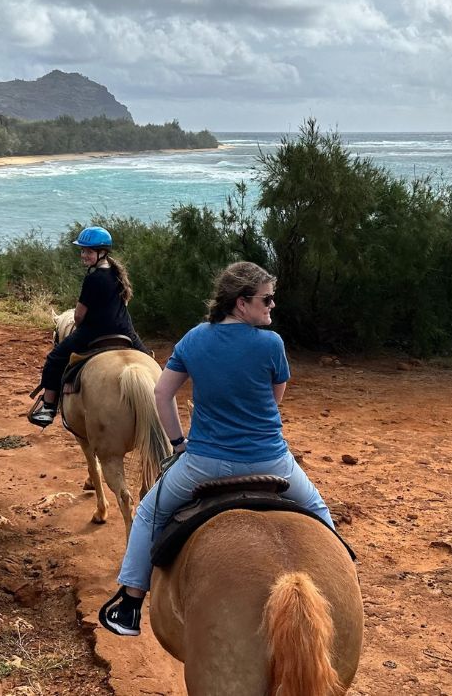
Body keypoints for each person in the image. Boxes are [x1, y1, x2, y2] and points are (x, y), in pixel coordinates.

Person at [99, 261, 334, 637]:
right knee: (320, 512)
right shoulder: (272, 344)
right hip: (271, 461)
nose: (272, 306)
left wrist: (178, 443)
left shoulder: (193, 339)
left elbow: (162, 393)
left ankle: (129, 604)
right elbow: (275, 400)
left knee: (147, 513)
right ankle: (341, 584)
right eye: (267, 300)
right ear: (241, 303)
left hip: (203, 464)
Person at [29, 226, 150, 427]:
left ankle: (48, 406)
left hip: (96, 331)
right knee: (149, 363)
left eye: (88, 251)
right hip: (125, 330)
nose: (84, 255)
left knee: (53, 359)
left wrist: (80, 326)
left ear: (101, 252)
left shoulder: (93, 278)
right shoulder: (116, 273)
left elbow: (78, 315)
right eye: (83, 251)